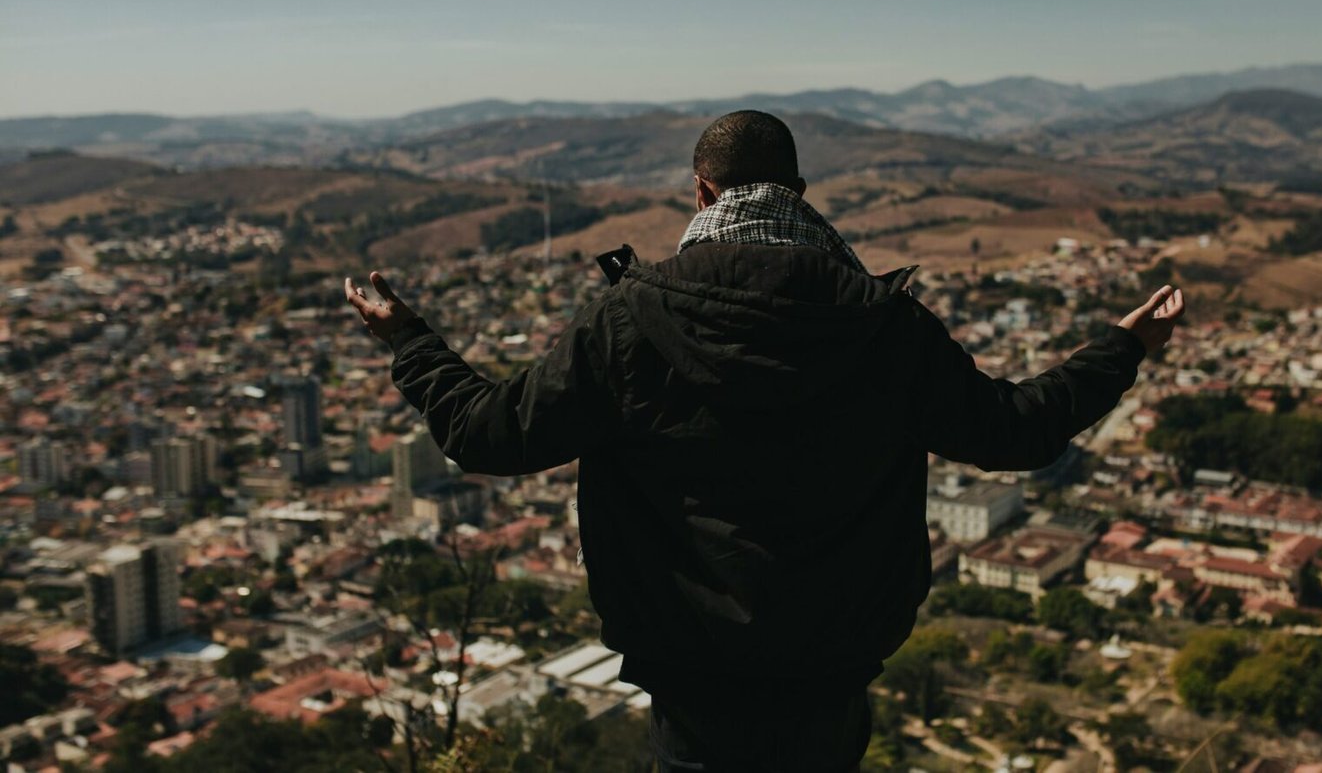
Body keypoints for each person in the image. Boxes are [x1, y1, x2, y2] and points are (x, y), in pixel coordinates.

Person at [344, 110, 1184, 771]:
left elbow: (489, 435)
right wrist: (1124, 346)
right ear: (801, 192)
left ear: (702, 194)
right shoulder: (880, 324)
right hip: (831, 661)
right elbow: (1017, 430)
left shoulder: (631, 319)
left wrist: (411, 342)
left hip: (689, 664)